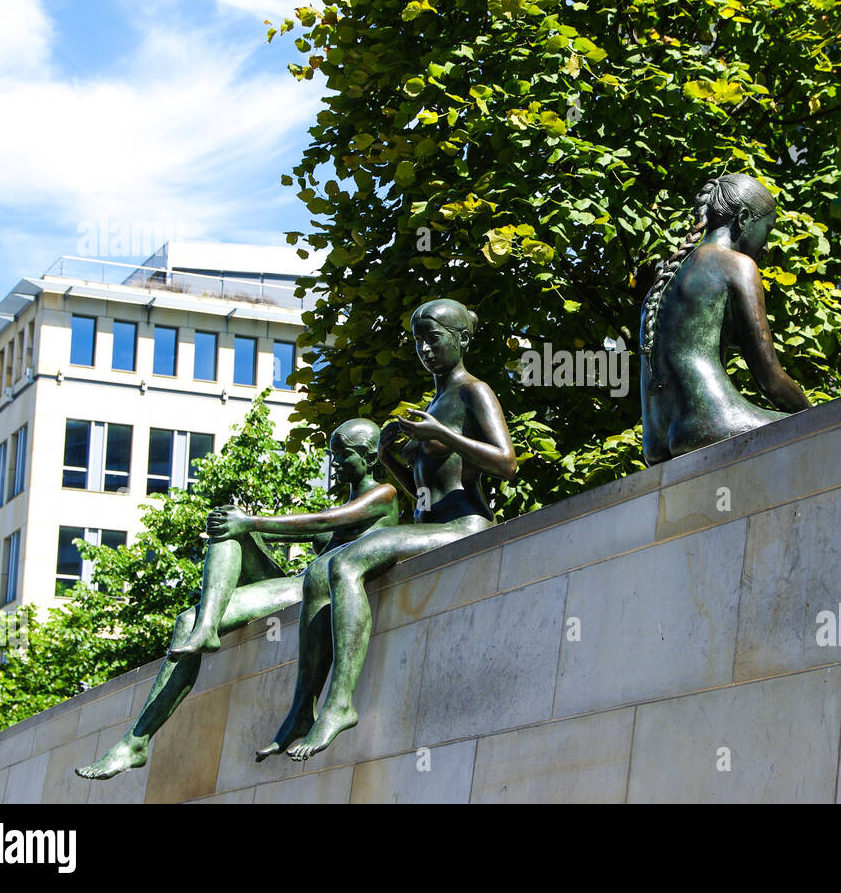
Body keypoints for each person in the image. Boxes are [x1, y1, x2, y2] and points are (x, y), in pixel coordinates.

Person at [258, 298, 517, 761]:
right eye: (418, 340)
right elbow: (421, 487)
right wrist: (391, 458)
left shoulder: (473, 393)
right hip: (426, 526)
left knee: (348, 560)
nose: (424, 349)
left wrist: (447, 434)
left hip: (464, 524)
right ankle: (302, 708)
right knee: (319, 572)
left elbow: (506, 463)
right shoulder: (434, 404)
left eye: (433, 338)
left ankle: (339, 705)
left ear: (460, 338)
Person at [75, 419, 398, 780]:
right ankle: (136, 740)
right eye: (332, 456)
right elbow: (311, 525)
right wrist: (244, 524)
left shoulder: (383, 495)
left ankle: (206, 629)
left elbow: (322, 520)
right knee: (199, 591)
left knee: (240, 524)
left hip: (306, 588)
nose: (335, 464)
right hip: (296, 582)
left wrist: (253, 522)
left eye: (344, 455)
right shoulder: (349, 499)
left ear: (370, 457)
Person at [639, 173, 810, 464]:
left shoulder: (665, 280)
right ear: (743, 218)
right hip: (712, 422)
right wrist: (815, 412)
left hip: (656, 441)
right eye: (766, 231)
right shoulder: (735, 265)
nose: (766, 248)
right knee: (815, 434)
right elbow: (770, 379)